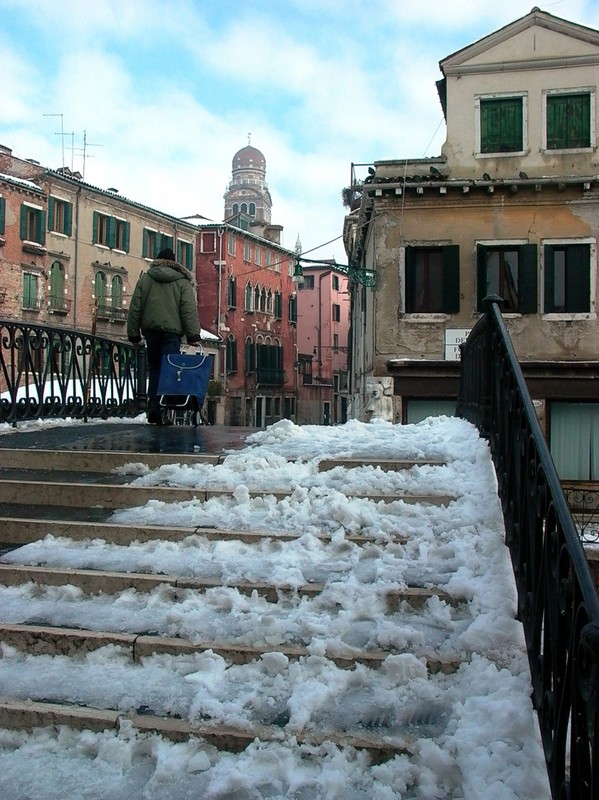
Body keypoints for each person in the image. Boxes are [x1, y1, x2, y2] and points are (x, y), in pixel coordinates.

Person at [127, 248, 202, 424]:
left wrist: (133, 334)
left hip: (150, 331)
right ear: (174, 263)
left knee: (154, 369)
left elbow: (135, 307)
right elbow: (188, 309)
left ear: (158, 260)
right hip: (172, 333)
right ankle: (164, 410)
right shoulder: (182, 282)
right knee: (169, 371)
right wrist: (193, 334)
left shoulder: (145, 279)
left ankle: (153, 408)